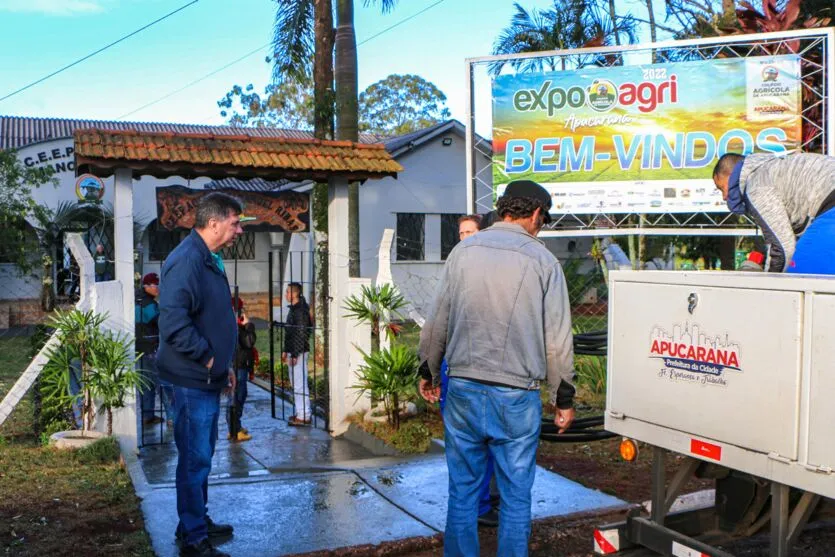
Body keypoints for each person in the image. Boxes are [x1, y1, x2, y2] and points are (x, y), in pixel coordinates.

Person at [419, 180, 576, 557]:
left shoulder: (463, 252)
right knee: (516, 497)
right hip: (516, 396)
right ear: (536, 213)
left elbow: (437, 318)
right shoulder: (544, 261)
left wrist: (427, 370)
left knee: (462, 493)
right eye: (544, 219)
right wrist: (563, 397)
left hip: (463, 390)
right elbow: (557, 339)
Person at [157, 192, 243, 557]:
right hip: (190, 380)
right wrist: (209, 359)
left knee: (201, 456)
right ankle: (193, 539)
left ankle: (193, 521)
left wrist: (228, 366)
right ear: (213, 223)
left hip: (207, 378)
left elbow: (214, 317)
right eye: (235, 223)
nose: (239, 229)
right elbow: (174, 321)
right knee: (195, 459)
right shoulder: (188, 260)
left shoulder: (208, 258)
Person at [437, 214, 501, 528]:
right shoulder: (456, 269)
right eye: (461, 233)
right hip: (457, 366)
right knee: (466, 444)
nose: (465, 237)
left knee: (483, 441)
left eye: (470, 232)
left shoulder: (486, 270)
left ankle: (482, 501)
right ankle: (475, 505)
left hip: (483, 367)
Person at [712, 152, 835, 274]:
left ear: (730, 175)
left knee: (803, 276)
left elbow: (782, 248)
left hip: (830, 204)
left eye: (722, 188)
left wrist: (770, 286)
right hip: (827, 201)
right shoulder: (776, 168)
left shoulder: (757, 185)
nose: (724, 197)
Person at [135, 272, 174, 426]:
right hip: (151, 348)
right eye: (155, 285)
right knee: (163, 383)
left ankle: (147, 415)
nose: (158, 288)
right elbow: (160, 322)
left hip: (138, 348)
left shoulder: (136, 300)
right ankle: (172, 416)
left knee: (145, 383)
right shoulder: (148, 304)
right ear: (147, 286)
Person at [283, 282, 313, 426]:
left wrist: (294, 354)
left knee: (300, 384)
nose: (286, 295)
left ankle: (304, 415)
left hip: (299, 352)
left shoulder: (300, 311)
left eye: (288, 292)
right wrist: (286, 350)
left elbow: (301, 333)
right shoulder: (294, 309)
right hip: (293, 351)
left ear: (295, 294)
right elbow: (290, 332)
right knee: (296, 384)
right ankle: (301, 412)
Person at [229, 297, 255, 442]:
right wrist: (249, 325)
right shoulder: (237, 325)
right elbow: (249, 342)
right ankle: (235, 429)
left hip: (236, 363)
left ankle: (234, 427)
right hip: (239, 364)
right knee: (238, 396)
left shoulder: (229, 322)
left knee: (234, 397)